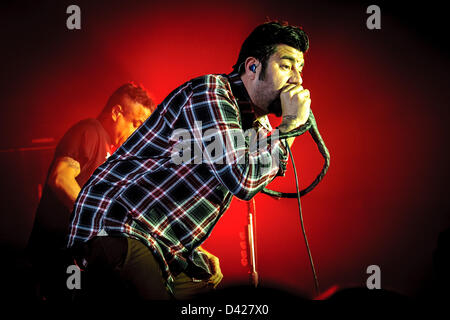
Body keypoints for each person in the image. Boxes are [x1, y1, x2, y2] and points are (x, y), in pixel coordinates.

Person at [66, 21, 311, 301]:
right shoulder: (213, 93)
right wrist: (290, 126)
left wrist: (192, 251)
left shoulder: (259, 127)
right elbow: (242, 178)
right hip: (117, 225)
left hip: (159, 243)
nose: (297, 80)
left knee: (207, 284)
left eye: (300, 69)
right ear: (253, 67)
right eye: (287, 66)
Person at [26, 82, 155, 301]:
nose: (137, 133)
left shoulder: (109, 154)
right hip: (59, 253)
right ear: (116, 113)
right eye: (136, 123)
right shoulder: (90, 130)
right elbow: (60, 178)